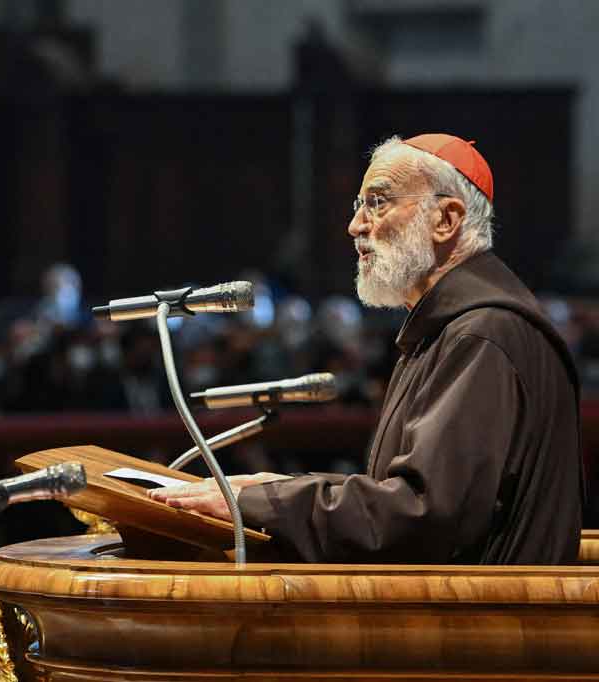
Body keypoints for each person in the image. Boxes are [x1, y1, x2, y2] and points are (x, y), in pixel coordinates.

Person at [150, 134, 583, 564]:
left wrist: (266, 504)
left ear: (446, 220)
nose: (356, 226)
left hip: (482, 627)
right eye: (359, 206)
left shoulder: (483, 335)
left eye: (378, 202)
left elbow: (422, 516)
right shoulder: (453, 329)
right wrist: (268, 489)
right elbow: (407, 497)